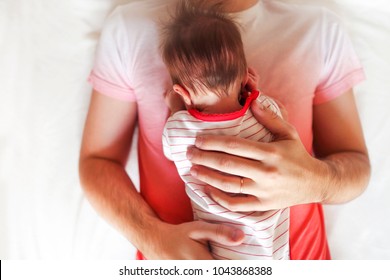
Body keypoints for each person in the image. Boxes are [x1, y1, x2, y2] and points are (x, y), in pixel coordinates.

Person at [79, 0, 370, 260]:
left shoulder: (318, 29)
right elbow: (97, 162)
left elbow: (356, 164)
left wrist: (315, 181)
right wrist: (152, 237)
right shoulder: (129, 28)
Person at [160, 2, 289, 260]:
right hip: (273, 241)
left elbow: (169, 150)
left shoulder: (179, 129)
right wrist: (255, 93)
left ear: (182, 92)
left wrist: (175, 108)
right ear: (244, 76)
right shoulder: (263, 110)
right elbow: (283, 119)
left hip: (225, 246)